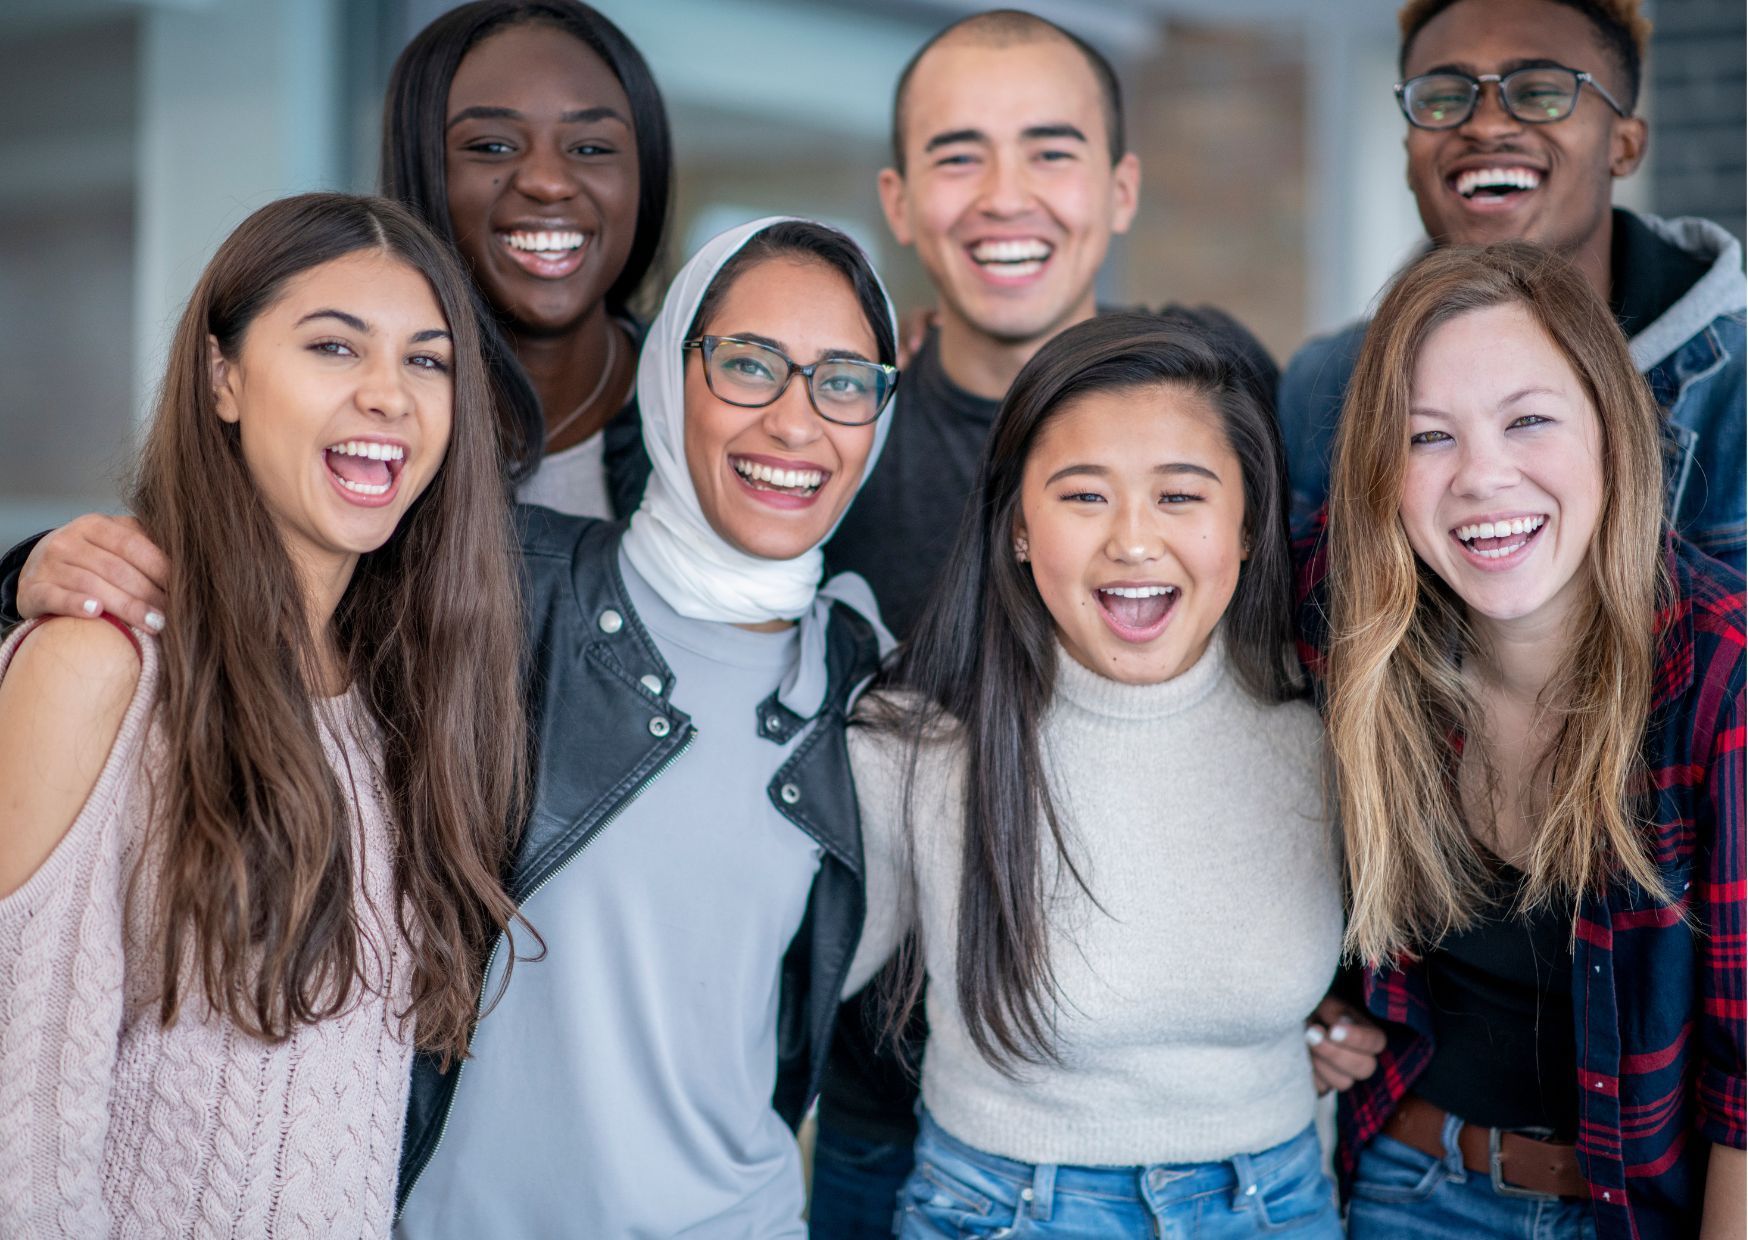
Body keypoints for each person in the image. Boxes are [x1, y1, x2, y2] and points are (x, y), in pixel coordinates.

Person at [0, 192, 526, 1238]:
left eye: (428, 361)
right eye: (335, 346)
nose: (390, 395)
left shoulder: (404, 699)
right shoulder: (99, 664)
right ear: (223, 376)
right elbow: (19, 1140)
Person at [391, 217, 899, 1236]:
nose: (796, 423)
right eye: (749, 365)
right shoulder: (502, 581)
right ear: (670, 374)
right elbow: (245, 598)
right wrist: (34, 574)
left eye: (843, 380)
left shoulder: (862, 683)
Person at [845, 312, 1343, 1238]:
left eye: (1181, 497)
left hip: (1275, 1208)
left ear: (1245, 525)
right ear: (1021, 529)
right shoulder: (916, 742)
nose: (1133, 542)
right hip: (1003, 1209)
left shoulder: (1326, 728)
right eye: (1083, 498)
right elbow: (765, 994)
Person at [1297, 241, 1744, 1238]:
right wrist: (1302, 1007)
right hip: (1397, 1189)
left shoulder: (1719, 674)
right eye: (1425, 437)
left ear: (1611, 436)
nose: (1479, 477)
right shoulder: (1353, 639)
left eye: (1528, 420)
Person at [0, 0, 673, 634]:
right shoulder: (346, 427)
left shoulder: (712, 422)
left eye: (591, 148)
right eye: (491, 147)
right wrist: (27, 579)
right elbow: (195, 577)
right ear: (421, 168)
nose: (548, 182)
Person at [1277, 0, 1744, 571]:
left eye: (1541, 91)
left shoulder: (1737, 391)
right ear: (1408, 157)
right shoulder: (1321, 390)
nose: (1487, 124)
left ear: (1624, 144)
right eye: (1444, 98)